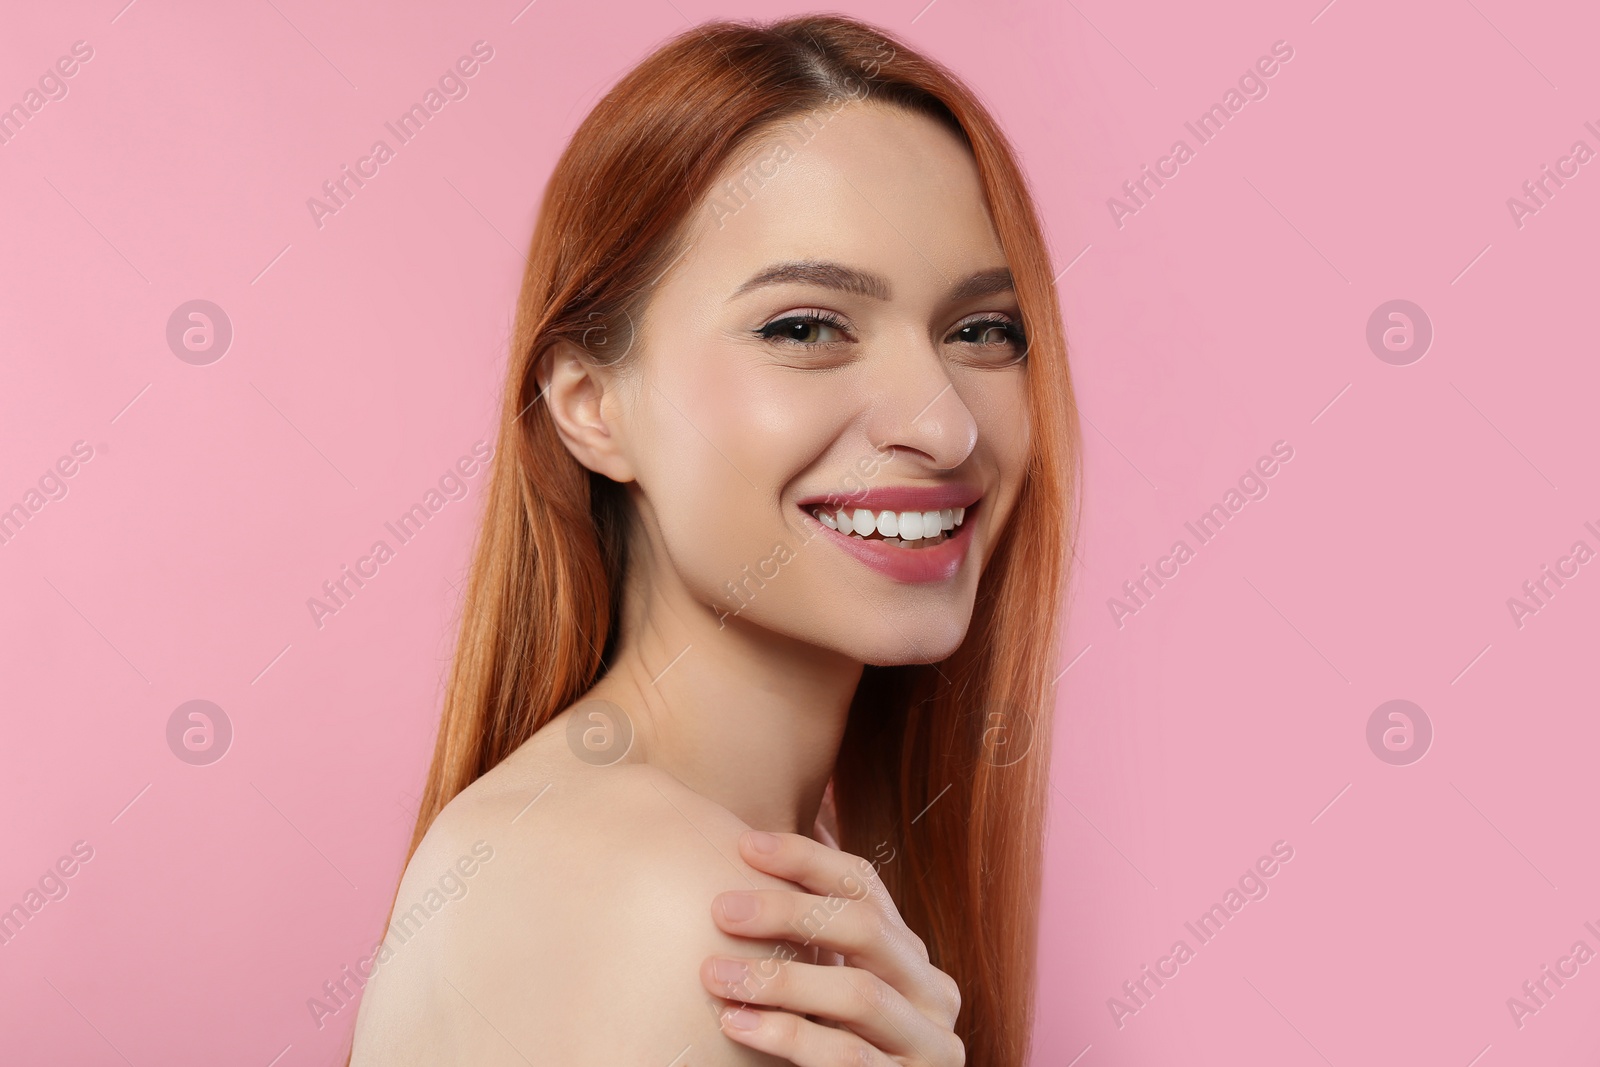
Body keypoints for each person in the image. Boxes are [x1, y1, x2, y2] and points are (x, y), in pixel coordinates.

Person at [348, 13, 1079, 1066]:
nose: (943, 420)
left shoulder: (712, 863)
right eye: (804, 327)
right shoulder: (672, 903)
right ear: (592, 405)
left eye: (980, 331)